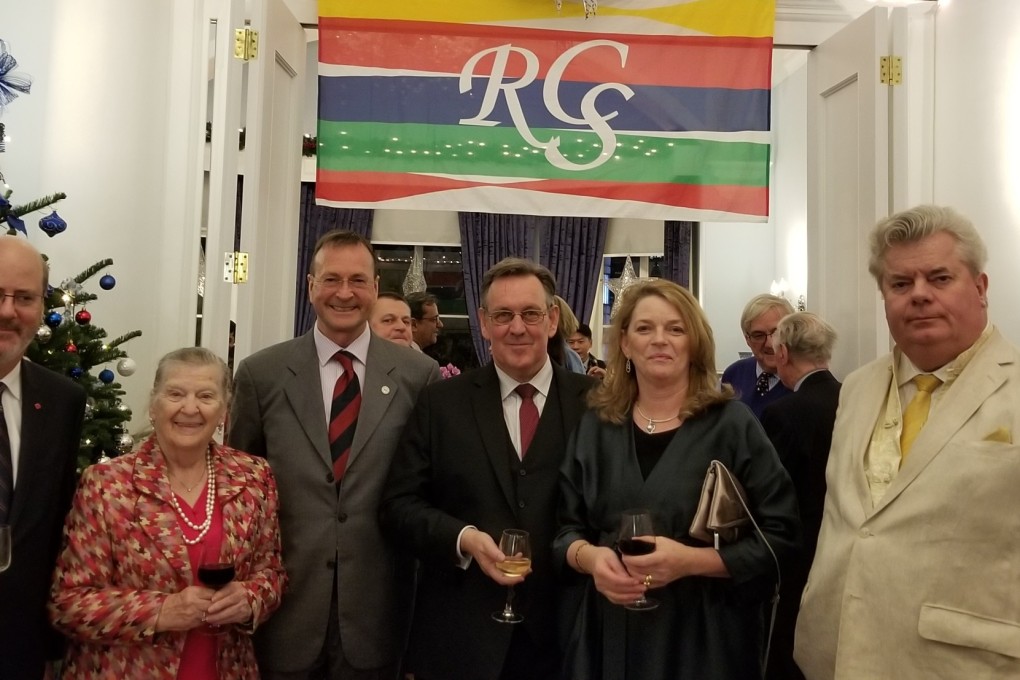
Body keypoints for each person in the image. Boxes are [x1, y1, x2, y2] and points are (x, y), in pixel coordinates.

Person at [795, 205, 1020, 678]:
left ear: (980, 288)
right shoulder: (857, 388)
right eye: (900, 283)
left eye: (940, 278)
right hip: (838, 649)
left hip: (965, 664)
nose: (919, 294)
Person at [555, 279, 800, 680]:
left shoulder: (732, 426)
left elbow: (783, 537)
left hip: (704, 638)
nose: (659, 340)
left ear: (695, 343)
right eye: (644, 328)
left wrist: (692, 562)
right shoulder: (597, 426)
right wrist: (591, 559)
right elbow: (564, 529)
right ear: (625, 344)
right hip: (608, 633)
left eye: (675, 328)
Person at [229, 230, 439, 680]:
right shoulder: (261, 375)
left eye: (358, 280)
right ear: (310, 287)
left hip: (378, 614)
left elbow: (426, 492)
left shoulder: (419, 377)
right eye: (331, 279)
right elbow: (238, 498)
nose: (345, 293)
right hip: (285, 610)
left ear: (375, 288)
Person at [381, 257, 594, 680]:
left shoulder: (597, 405)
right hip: (462, 639)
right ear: (483, 322)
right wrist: (464, 539)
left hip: (567, 637)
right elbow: (398, 506)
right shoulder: (441, 404)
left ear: (552, 320)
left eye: (530, 313)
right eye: (503, 315)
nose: (517, 328)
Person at [49, 347, 285, 679]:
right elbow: (68, 603)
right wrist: (162, 611)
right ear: (154, 404)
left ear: (224, 411)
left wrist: (249, 599)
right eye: (175, 394)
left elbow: (271, 574)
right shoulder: (107, 484)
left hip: (227, 669)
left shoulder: (253, 477)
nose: (190, 408)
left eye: (206, 396)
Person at [0, 235, 86, 680]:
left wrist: (54, 645)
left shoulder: (62, 401)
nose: (7, 311)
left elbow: (58, 528)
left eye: (24, 298)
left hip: (19, 647)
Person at [759, 312, 841, 680]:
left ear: (783, 354)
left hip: (800, 550)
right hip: (844, 543)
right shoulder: (853, 398)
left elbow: (773, 490)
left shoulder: (783, 413)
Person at [721, 294, 795, 419]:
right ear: (747, 339)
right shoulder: (734, 374)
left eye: (777, 332)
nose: (770, 344)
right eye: (758, 335)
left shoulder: (802, 382)